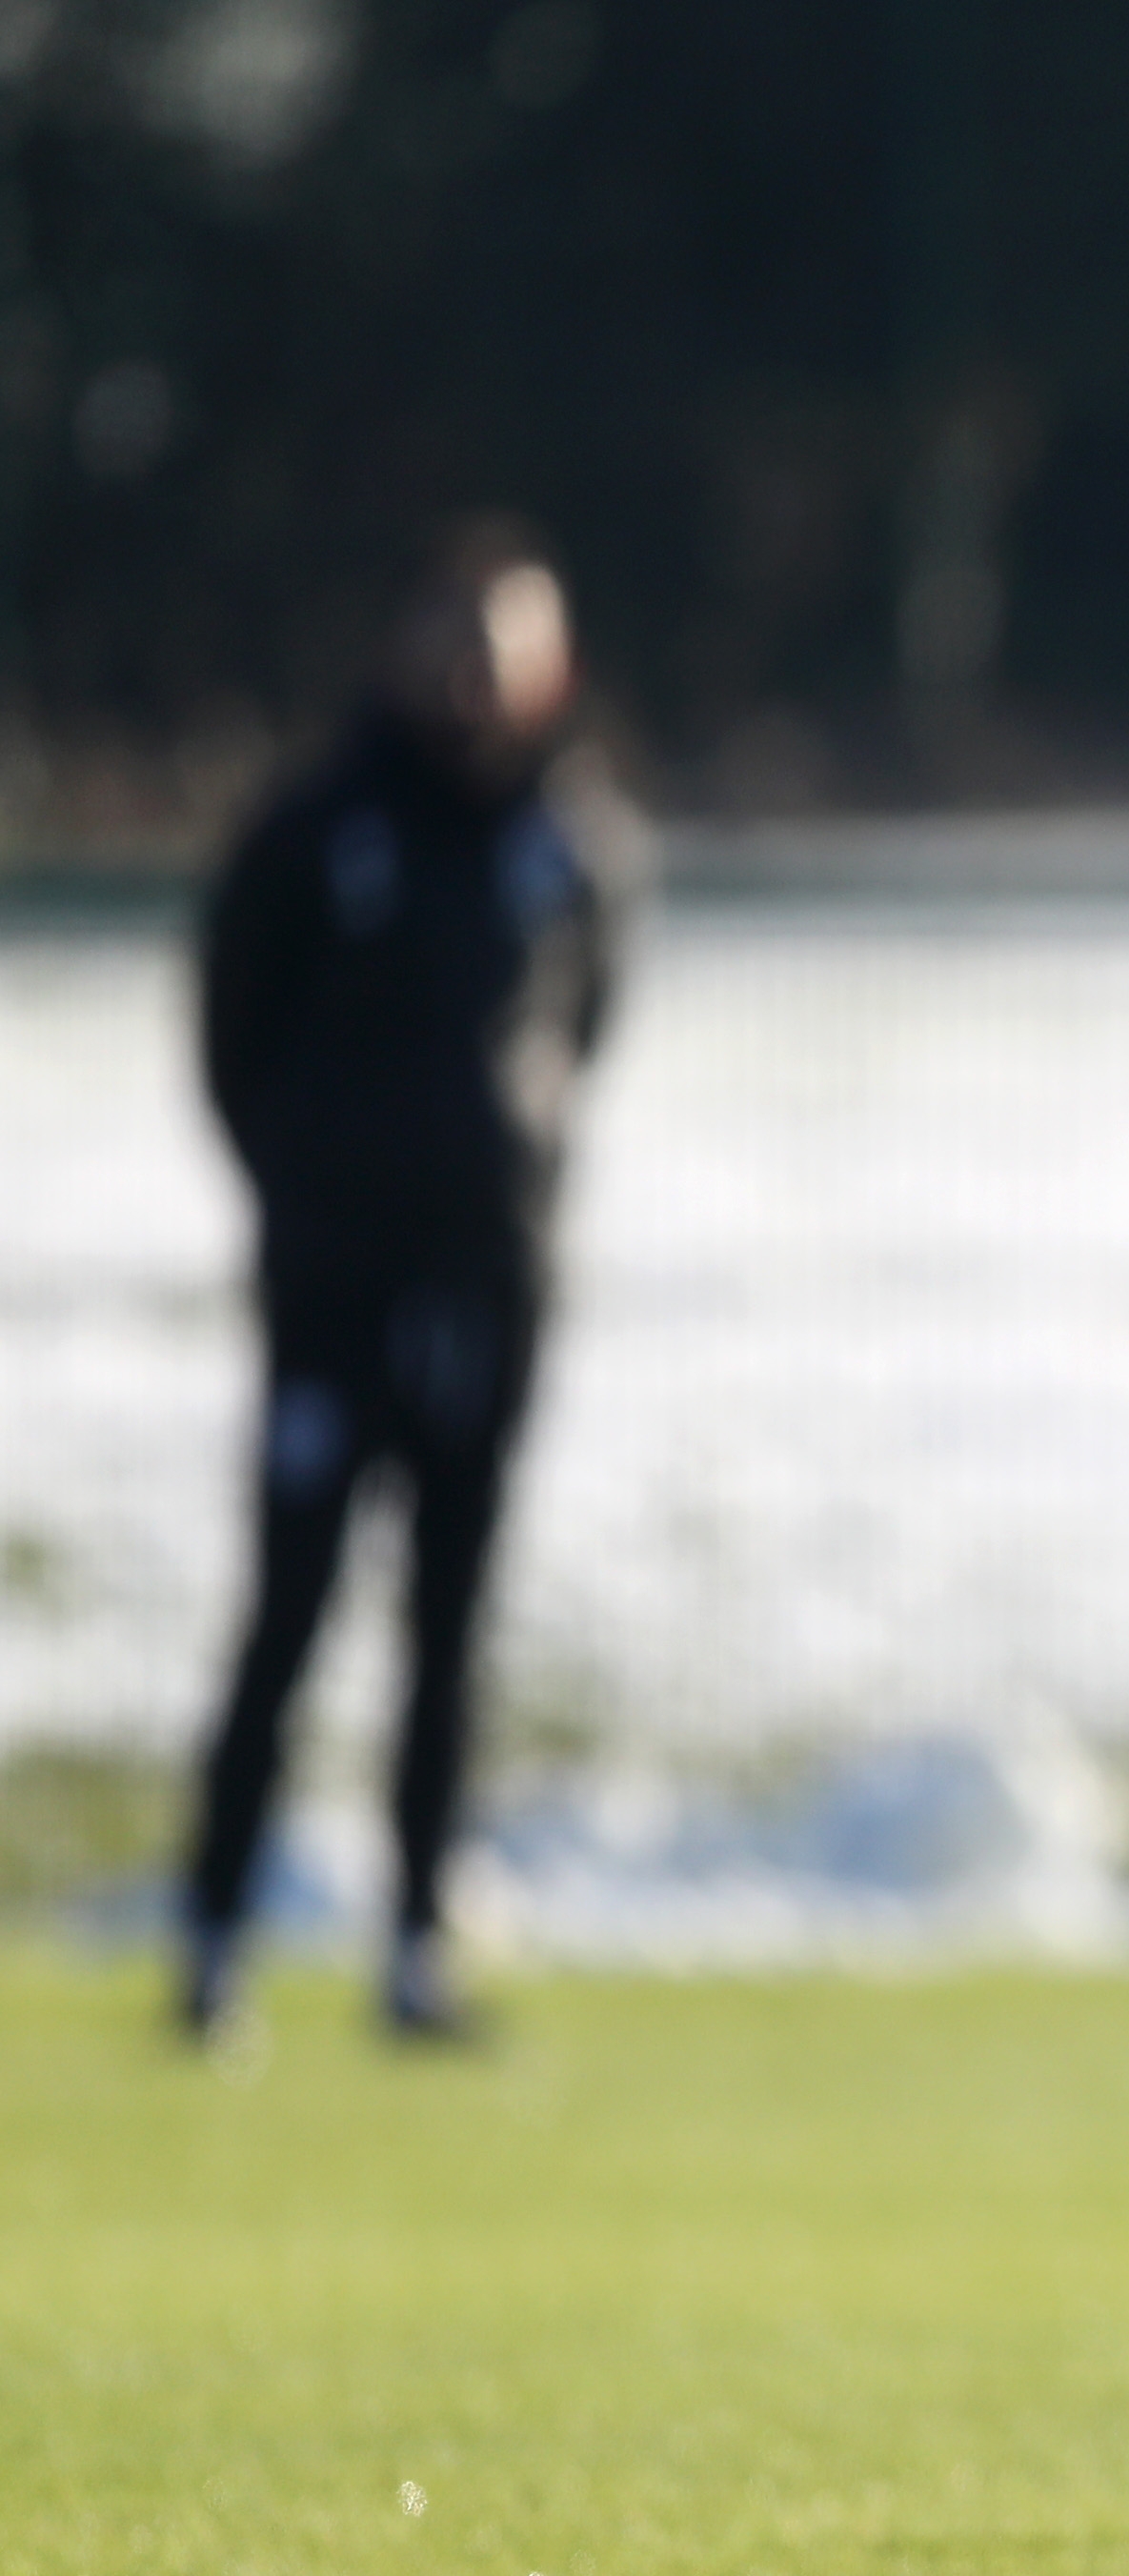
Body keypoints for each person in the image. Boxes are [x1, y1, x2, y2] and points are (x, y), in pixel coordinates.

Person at [180, 519, 635, 2045]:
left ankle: (416, 1948)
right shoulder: (318, 830)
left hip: (491, 1281)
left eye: (504, 641)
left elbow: (590, 1028)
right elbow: (233, 1031)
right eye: (453, 633)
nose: (473, 672)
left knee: (452, 1622)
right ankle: (212, 1934)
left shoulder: (572, 842)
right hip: (333, 1281)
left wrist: (505, 1197)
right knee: (291, 1603)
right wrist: (312, 1195)